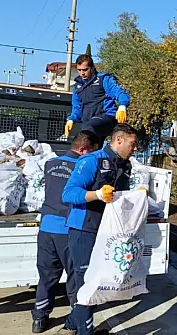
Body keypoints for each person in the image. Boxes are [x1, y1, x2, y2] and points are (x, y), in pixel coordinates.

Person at [62, 124, 138, 335]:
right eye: (133, 144)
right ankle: (84, 331)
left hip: (109, 231)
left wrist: (137, 197)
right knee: (88, 283)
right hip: (85, 229)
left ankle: (71, 323)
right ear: (119, 140)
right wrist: (96, 195)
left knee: (104, 281)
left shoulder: (125, 165)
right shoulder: (91, 161)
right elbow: (68, 194)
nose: (135, 149)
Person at [31, 131, 100, 333]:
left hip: (45, 228)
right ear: (83, 150)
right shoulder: (82, 167)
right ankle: (77, 319)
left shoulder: (50, 164)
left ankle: (39, 319)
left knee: (46, 277)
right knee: (75, 278)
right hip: (67, 229)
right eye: (92, 152)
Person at [64, 53, 131, 142]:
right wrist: (71, 119)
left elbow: (119, 92)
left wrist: (122, 106)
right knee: (88, 146)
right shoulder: (77, 87)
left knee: (87, 132)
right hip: (89, 123)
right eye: (79, 70)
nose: (82, 73)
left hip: (106, 118)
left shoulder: (103, 79)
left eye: (85, 70)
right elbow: (77, 107)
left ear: (92, 68)